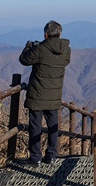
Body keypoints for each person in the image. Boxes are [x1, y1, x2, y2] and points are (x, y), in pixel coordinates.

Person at [19, 20, 71, 166]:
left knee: (35, 126)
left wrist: (28, 48)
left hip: (37, 95)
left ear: (46, 34)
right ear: (60, 34)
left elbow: (24, 60)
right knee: (53, 126)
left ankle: (35, 158)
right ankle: (52, 155)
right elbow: (63, 62)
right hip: (54, 95)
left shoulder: (40, 49)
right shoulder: (66, 50)